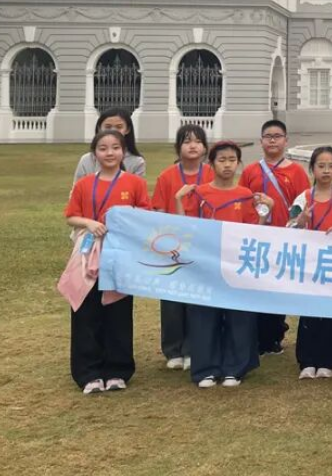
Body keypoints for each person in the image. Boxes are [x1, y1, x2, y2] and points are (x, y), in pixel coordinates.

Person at [176, 140, 270, 387]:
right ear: (211, 163)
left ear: (239, 164)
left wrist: (266, 212)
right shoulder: (199, 193)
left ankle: (234, 368)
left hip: (237, 264)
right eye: (222, 160)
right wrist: (178, 201)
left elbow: (253, 231)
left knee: (239, 316)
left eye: (232, 160)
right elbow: (186, 228)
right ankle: (205, 369)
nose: (227, 165)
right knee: (203, 315)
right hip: (206, 264)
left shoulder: (246, 195)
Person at [64, 130, 151, 394]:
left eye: (115, 147)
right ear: (95, 153)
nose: (109, 153)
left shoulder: (134, 183)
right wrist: (89, 223)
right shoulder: (84, 184)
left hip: (120, 252)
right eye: (103, 148)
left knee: (118, 310)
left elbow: (145, 214)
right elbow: (71, 216)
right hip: (88, 252)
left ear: (123, 151)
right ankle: (87, 372)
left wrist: (126, 217)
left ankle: (117, 370)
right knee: (85, 309)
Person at [239, 120, 310, 355]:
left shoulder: (296, 172)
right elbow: (241, 201)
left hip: (284, 237)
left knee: (278, 287)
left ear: (286, 141)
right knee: (255, 287)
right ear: (260, 141)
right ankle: (257, 335)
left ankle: (275, 335)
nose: (272, 140)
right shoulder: (250, 171)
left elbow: (304, 204)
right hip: (256, 236)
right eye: (268, 136)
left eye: (277, 136)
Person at [290, 146, 332, 380]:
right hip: (309, 264)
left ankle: (328, 361)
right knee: (309, 312)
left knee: (331, 312)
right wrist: (301, 221)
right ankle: (307, 361)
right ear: (312, 169)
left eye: (331, 166)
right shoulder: (303, 198)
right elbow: (289, 228)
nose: (326, 171)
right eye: (321, 166)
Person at [151, 123, 213, 372]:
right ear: (178, 147)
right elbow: (158, 210)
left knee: (198, 299)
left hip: (203, 247)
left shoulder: (211, 174)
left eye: (198, 141)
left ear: (205, 147)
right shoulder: (167, 177)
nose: (192, 146)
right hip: (172, 248)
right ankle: (173, 349)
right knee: (172, 301)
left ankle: (193, 348)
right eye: (187, 141)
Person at [73, 108, 146, 183]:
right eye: (108, 127)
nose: (113, 131)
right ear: (99, 128)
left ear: (127, 129)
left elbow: (138, 188)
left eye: (119, 127)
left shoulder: (137, 162)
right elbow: (77, 188)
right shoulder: (86, 160)